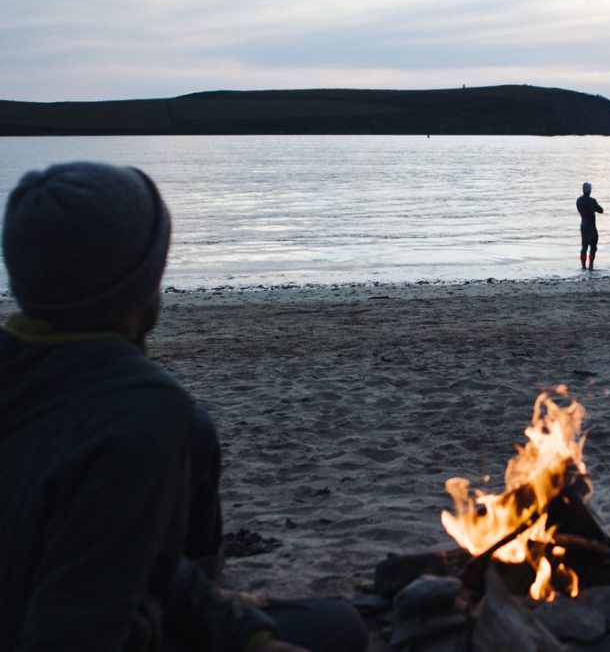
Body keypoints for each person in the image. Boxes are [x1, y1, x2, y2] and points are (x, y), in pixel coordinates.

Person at [0, 162, 367, 652]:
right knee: (339, 629)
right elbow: (77, 622)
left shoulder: (36, 380)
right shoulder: (140, 412)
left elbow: (114, 551)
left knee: (331, 622)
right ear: (139, 284)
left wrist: (246, 634)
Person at [576, 181, 604, 270]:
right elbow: (601, 210)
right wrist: (594, 208)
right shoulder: (592, 201)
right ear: (590, 190)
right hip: (592, 227)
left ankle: (583, 266)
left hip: (584, 226)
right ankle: (591, 266)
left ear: (583, 190)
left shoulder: (579, 201)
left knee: (584, 247)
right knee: (593, 247)